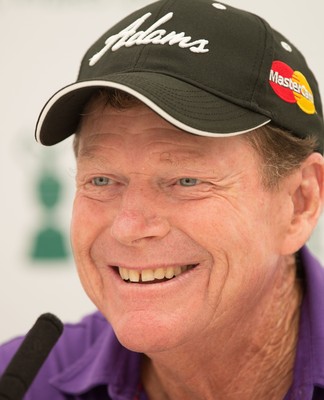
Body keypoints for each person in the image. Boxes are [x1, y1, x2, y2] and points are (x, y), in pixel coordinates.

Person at [1, 0, 324, 398]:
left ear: (299, 203)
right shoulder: (22, 381)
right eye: (101, 179)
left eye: (186, 180)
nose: (130, 227)